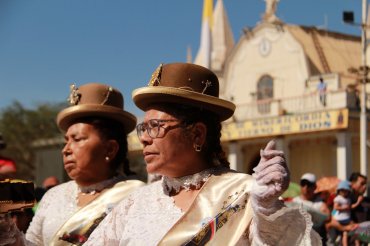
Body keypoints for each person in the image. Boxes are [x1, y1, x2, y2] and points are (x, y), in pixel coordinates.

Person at [85, 63, 321, 245]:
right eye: (143, 128)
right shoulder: (135, 203)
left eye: (155, 126)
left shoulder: (247, 195)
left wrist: (269, 213)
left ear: (197, 134)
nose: (145, 138)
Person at [0, 83, 145, 245]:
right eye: (66, 141)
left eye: (77, 139)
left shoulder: (138, 197)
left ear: (110, 149)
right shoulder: (53, 196)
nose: (66, 150)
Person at [292, 173, 330, 245]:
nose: (306, 187)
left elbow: (327, 216)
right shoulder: (295, 201)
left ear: (314, 187)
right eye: (303, 184)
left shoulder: (319, 203)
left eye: (309, 185)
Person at [330, 180, 361, 246]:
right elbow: (335, 208)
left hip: (347, 218)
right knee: (347, 231)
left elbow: (351, 207)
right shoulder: (338, 198)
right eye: (342, 190)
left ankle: (357, 243)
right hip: (340, 219)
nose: (344, 192)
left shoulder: (348, 199)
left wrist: (358, 202)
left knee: (353, 229)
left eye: (345, 191)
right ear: (339, 191)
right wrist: (344, 208)